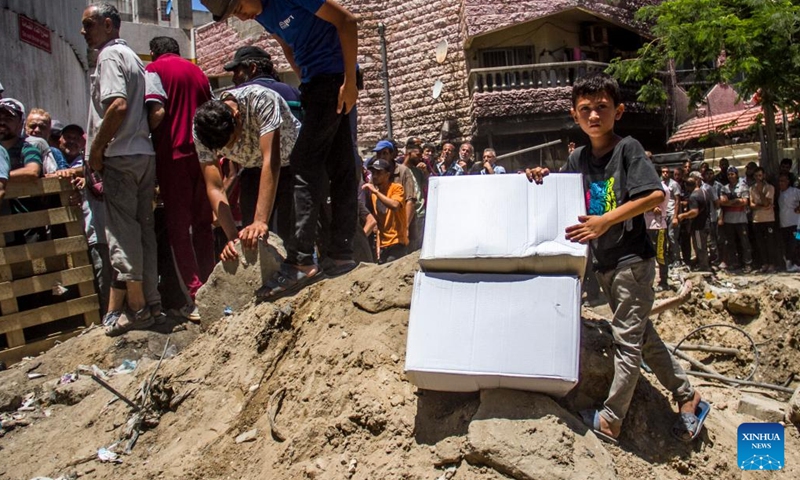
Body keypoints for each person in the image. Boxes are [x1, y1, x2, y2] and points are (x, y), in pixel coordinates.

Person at [525, 72, 706, 445]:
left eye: (602, 108)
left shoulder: (629, 150)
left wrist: (605, 220)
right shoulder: (577, 158)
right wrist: (541, 174)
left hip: (632, 262)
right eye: (585, 110)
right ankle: (688, 395)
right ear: (575, 116)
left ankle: (611, 420)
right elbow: (560, 193)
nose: (594, 116)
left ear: (618, 111)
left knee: (627, 342)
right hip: (606, 266)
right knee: (643, 337)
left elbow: (655, 196)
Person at [202, 0, 361, 288]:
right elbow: (287, 45)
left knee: (304, 164)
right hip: (317, 81)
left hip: (335, 76)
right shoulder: (262, 14)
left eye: (238, 7)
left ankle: (301, 261)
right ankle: (340, 255)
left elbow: (347, 22)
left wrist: (349, 81)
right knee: (340, 164)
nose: (241, 16)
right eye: (233, 15)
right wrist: (306, 81)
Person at [81, 3, 161, 336]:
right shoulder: (136, 60)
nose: (84, 31)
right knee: (143, 231)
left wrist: (97, 150)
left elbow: (117, 105)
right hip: (142, 154)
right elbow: (156, 112)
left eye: (89, 24)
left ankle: (139, 309)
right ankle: (151, 303)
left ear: (110, 25)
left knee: (123, 236)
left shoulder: (110, 57)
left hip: (120, 157)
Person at [192, 83, 300, 298]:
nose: (230, 149)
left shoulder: (261, 100)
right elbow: (214, 186)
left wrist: (261, 219)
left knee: (290, 234)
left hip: (292, 162)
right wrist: (232, 237)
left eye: (232, 141)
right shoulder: (201, 129)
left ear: (237, 116)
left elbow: (272, 161)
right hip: (251, 169)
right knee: (251, 239)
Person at [144, 36, 215, 320]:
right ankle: (212, 286)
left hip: (172, 154)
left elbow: (157, 111)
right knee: (202, 225)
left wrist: (143, 134)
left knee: (177, 229)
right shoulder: (198, 72)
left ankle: (195, 295)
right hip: (203, 154)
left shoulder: (153, 71)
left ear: (153, 53)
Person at [362, 158, 407, 263]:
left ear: (387, 174)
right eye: (373, 172)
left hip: (397, 242)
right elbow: (378, 223)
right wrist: (378, 244)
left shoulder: (396, 188)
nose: (375, 176)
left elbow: (395, 205)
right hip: (383, 245)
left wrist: (376, 192)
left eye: (379, 172)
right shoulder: (374, 195)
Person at [719, 166, 753, 272]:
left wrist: (730, 202)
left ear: (736, 174)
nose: (730, 176)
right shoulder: (724, 188)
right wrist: (735, 201)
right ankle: (734, 263)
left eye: (732, 174)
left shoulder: (743, 186)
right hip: (729, 219)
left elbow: (745, 202)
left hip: (741, 219)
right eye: (729, 174)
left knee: (744, 243)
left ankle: (748, 263)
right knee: (730, 243)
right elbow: (722, 202)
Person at [644, 165, 670, 291]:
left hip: (658, 226)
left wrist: (647, 206)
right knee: (648, 256)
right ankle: (649, 283)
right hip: (648, 225)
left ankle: (664, 281)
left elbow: (649, 206)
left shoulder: (661, 189)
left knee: (660, 255)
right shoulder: (650, 188)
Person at [677, 175, 710, 271]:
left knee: (700, 246)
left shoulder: (693, 196)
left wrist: (683, 216)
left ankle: (704, 267)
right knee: (703, 245)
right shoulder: (704, 192)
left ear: (687, 186)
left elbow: (694, 212)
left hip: (699, 226)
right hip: (706, 223)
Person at [749, 166, 779, 272]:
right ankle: (764, 263)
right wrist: (762, 206)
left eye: (760, 175)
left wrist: (760, 191)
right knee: (760, 243)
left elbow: (767, 202)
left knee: (770, 243)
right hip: (757, 219)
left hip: (768, 219)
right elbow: (751, 205)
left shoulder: (770, 188)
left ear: (764, 176)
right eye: (756, 176)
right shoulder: (751, 188)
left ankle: (772, 263)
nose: (758, 178)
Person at [777, 172, 800, 271]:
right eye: (780, 181)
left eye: (783, 181)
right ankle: (789, 263)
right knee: (787, 245)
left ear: (788, 182)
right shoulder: (780, 193)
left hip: (795, 224)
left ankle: (797, 264)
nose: (781, 183)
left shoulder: (795, 191)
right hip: (784, 224)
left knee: (796, 243)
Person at [661, 165, 682, 267]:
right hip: (663, 214)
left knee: (672, 236)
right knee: (663, 237)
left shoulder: (674, 184)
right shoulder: (660, 184)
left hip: (671, 213)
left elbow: (678, 200)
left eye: (667, 172)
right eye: (663, 172)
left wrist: (675, 216)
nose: (665, 174)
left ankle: (677, 258)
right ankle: (667, 258)